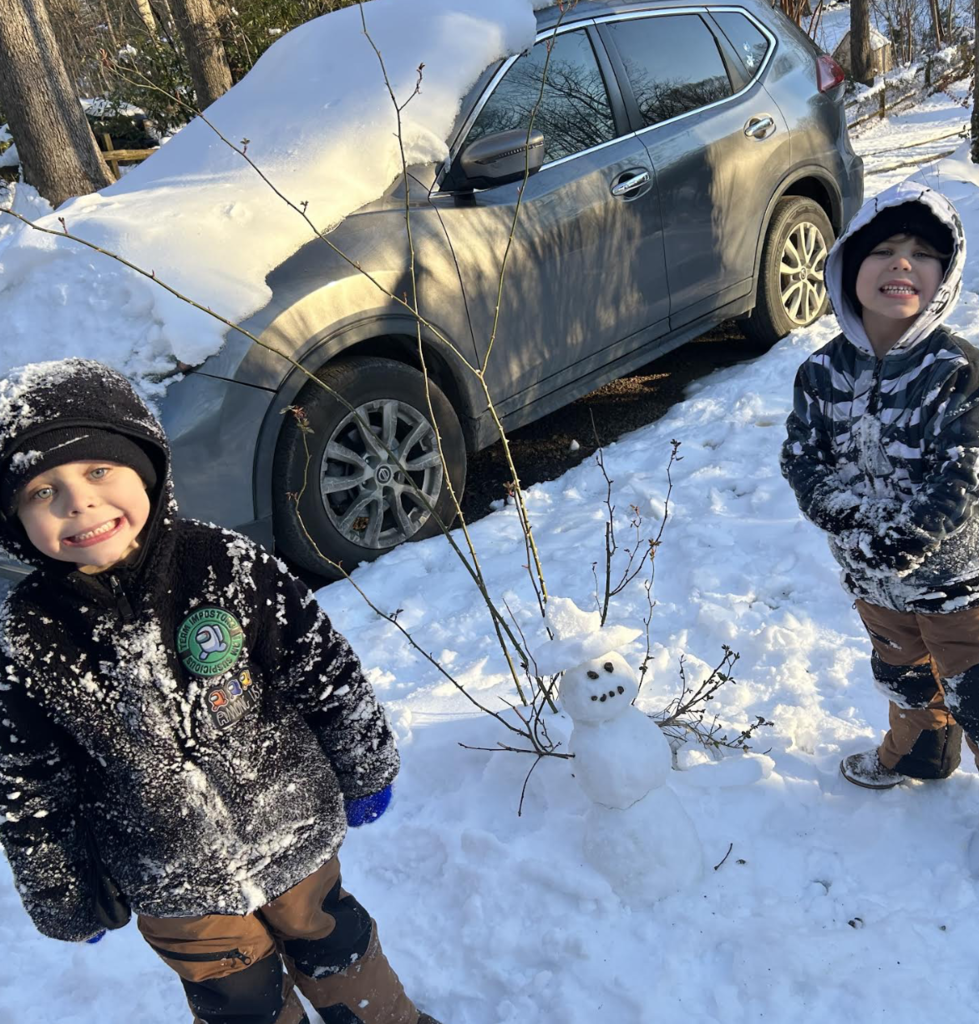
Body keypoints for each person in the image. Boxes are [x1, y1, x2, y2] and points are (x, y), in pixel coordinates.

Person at [0, 358, 441, 1024]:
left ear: (145, 466)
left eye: (98, 471)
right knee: (235, 999)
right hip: (169, 875)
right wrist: (64, 890)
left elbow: (321, 669)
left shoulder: (226, 564)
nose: (78, 502)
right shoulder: (27, 634)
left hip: (290, 825)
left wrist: (365, 763)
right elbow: (28, 781)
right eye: (42, 491)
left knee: (333, 938)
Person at [781, 178, 979, 791]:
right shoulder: (821, 372)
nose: (903, 262)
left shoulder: (956, 370)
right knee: (903, 672)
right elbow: (802, 456)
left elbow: (965, 468)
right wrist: (844, 518)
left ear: (943, 278)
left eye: (923, 254)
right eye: (884, 250)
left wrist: (909, 534)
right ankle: (919, 749)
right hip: (870, 576)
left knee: (974, 687)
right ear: (847, 270)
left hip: (956, 585)